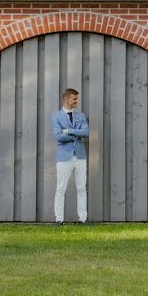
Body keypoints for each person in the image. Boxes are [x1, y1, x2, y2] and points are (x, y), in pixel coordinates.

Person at [51, 87, 89, 225]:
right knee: (60, 189)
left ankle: (83, 219)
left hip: (80, 157)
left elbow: (85, 132)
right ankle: (59, 219)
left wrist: (68, 131)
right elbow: (58, 137)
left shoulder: (81, 116)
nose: (76, 101)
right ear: (67, 99)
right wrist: (75, 135)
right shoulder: (56, 116)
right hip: (64, 158)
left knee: (81, 188)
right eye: (74, 99)